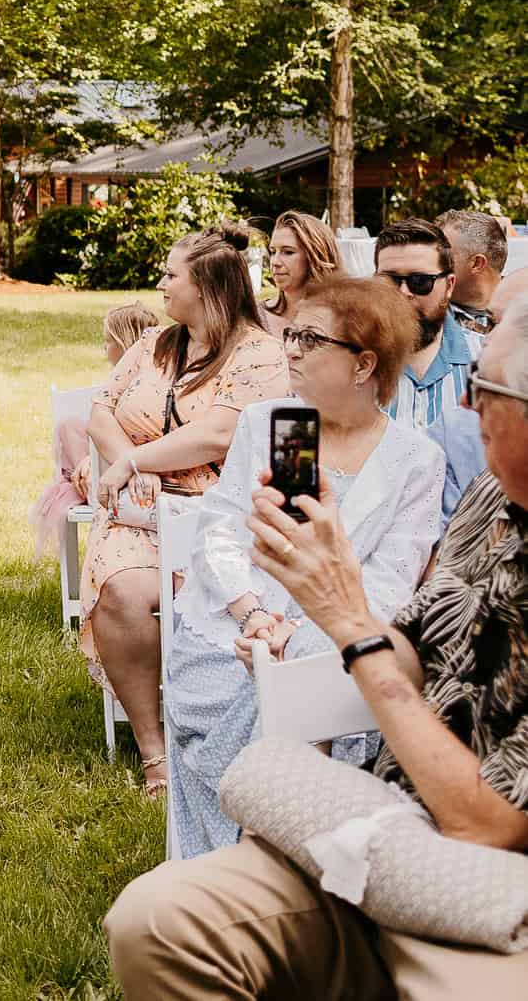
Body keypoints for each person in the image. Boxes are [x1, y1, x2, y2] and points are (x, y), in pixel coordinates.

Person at [104, 298, 528, 999]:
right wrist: (283, 619)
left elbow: (487, 822)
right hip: (381, 810)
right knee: (151, 920)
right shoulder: (487, 497)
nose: (465, 400)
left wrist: (342, 624)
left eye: (486, 387)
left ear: (364, 364)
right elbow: (409, 632)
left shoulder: (414, 457)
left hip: (485, 878)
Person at [163, 278, 443, 857]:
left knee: (315, 697)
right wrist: (256, 615)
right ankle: (266, 863)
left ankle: (257, 860)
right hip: (230, 632)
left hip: (334, 645)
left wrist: (300, 636)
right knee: (286, 707)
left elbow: (389, 585)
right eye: (292, 334)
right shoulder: (284, 426)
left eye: (310, 340)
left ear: (364, 364)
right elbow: (222, 531)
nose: (289, 349)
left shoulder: (414, 459)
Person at [80, 223, 289, 794]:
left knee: (222, 597)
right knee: (122, 591)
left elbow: (221, 434)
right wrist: (127, 461)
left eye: (172, 275)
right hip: (139, 517)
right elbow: (101, 408)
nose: (162, 284)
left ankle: (226, 729)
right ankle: (154, 750)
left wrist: (136, 462)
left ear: (208, 287)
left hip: (219, 517)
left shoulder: (261, 355)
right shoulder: (155, 345)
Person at [373, 217, 485, 521]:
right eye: (390, 281)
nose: (404, 293)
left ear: (449, 285)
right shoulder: (350, 366)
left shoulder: (487, 362)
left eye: (420, 282)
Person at [30, 302, 159, 555]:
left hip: (139, 470)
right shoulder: (109, 388)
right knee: (70, 425)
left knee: (72, 425)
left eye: (108, 341)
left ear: (124, 343)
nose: (104, 347)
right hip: (110, 463)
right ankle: (89, 477)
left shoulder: (144, 389)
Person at [257, 211, 340, 338]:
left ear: (315, 256)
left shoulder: (341, 320)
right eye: (273, 252)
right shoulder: (256, 316)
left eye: (288, 252)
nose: (275, 262)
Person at [436, 208, 509, 334]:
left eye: (443, 255)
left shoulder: (519, 314)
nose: (430, 263)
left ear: (477, 263)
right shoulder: (423, 314)